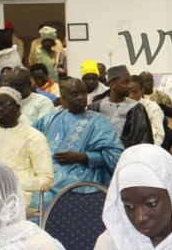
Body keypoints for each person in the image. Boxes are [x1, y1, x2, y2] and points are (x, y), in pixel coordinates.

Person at [33, 79, 124, 207]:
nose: (81, 98)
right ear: (63, 97)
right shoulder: (49, 120)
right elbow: (29, 145)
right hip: (47, 174)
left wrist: (83, 157)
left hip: (80, 176)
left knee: (48, 198)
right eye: (74, 94)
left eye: (83, 93)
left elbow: (116, 156)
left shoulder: (98, 121)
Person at [0, 87, 54, 207]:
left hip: (18, 194)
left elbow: (46, 180)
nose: (0, 108)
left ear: (18, 108)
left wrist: (12, 182)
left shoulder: (34, 137)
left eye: (6, 104)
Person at [88, 65, 153, 148]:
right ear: (112, 84)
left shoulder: (136, 108)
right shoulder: (95, 107)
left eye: (129, 81)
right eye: (125, 82)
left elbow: (144, 141)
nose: (129, 86)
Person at [126, 74, 164, 146]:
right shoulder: (122, 106)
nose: (130, 96)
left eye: (135, 92)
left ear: (142, 91)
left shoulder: (153, 108)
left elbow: (157, 137)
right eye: (128, 92)